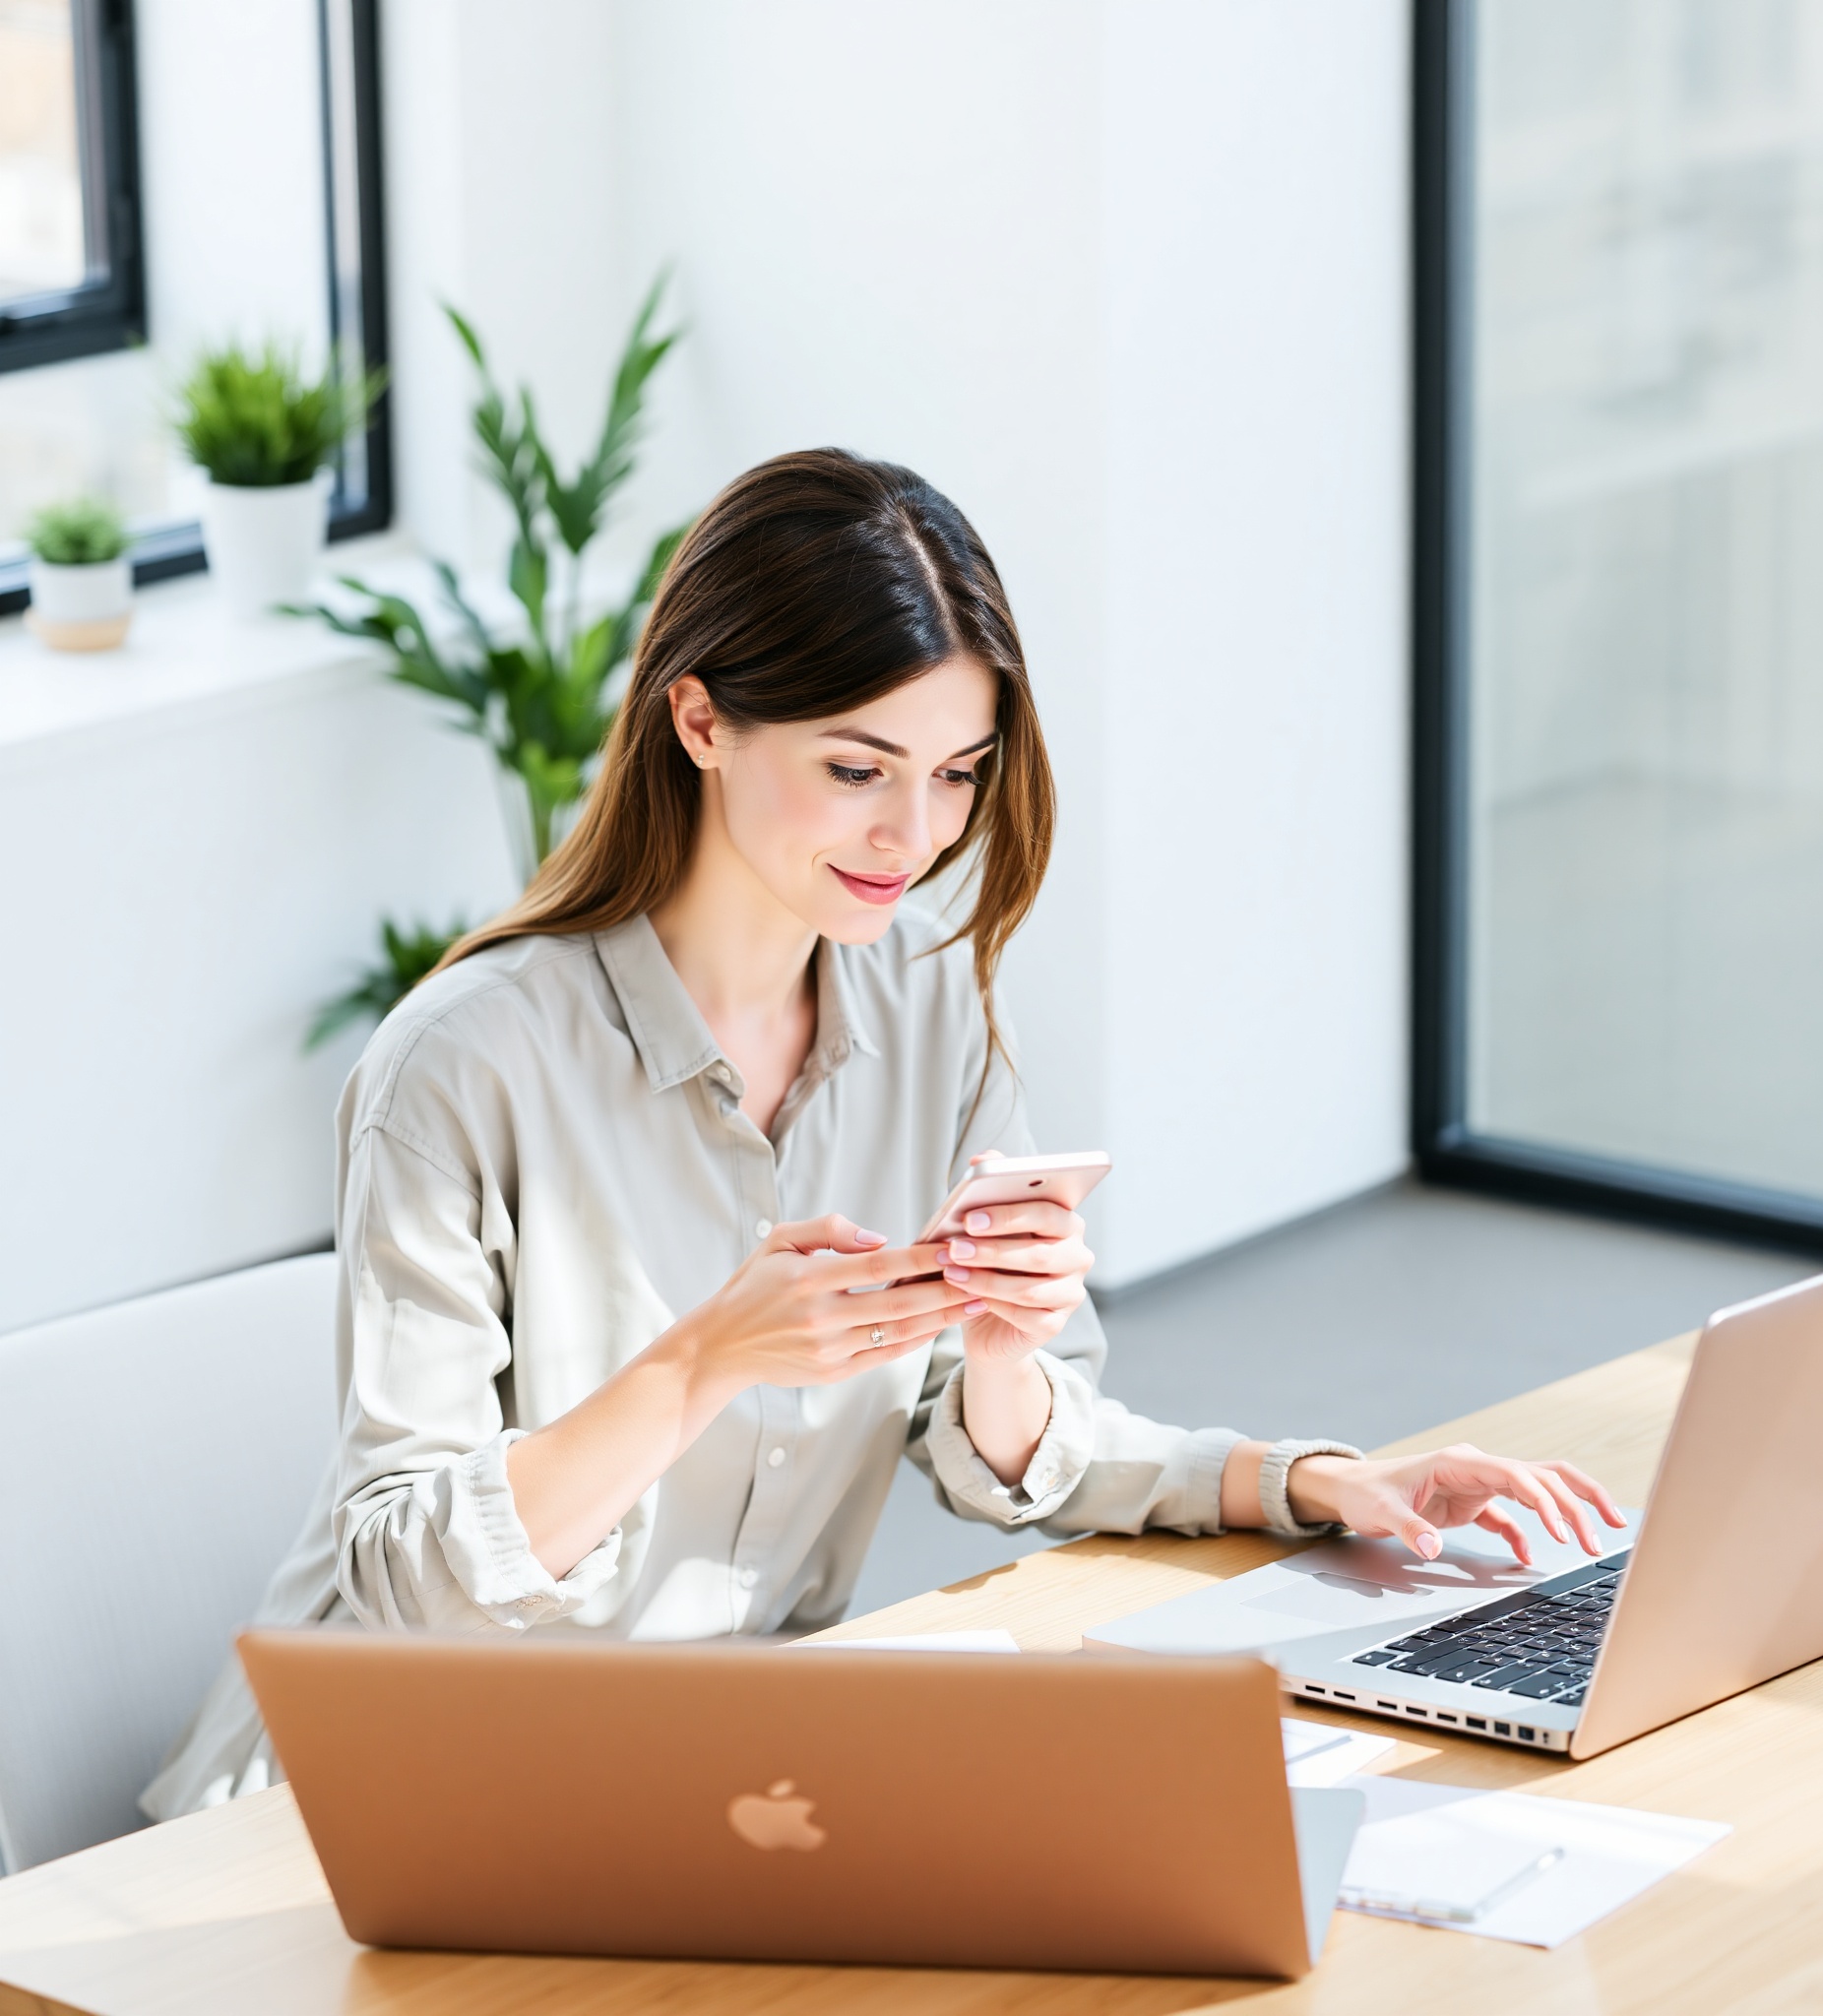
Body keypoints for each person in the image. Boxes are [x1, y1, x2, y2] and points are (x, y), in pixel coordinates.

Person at [145, 449, 1622, 1818]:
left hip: (719, 1785)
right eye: (860, 769)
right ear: (701, 717)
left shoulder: (934, 1010)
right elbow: (405, 1577)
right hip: (387, 1793)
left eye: (957, 774)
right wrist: (707, 1357)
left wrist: (1295, 1479)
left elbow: (1009, 1455)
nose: (911, 837)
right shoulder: (461, 1065)